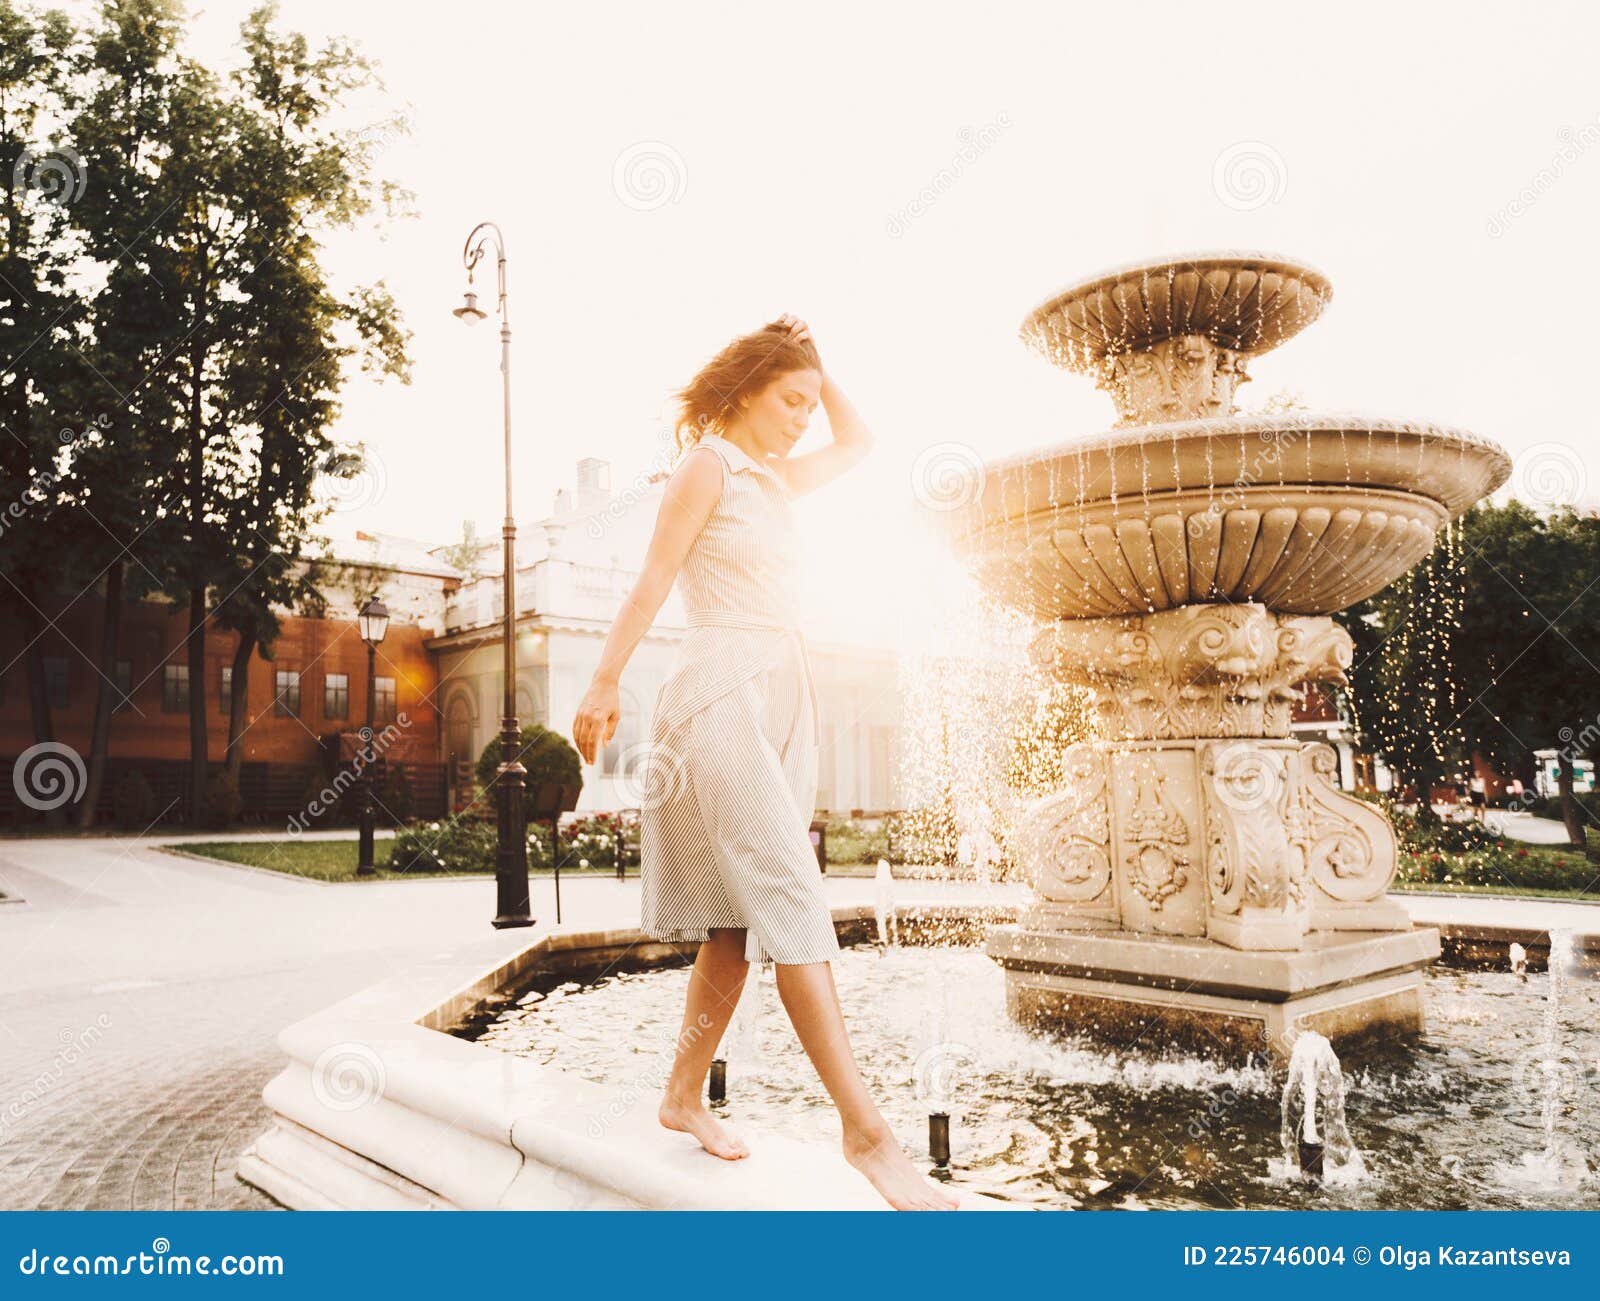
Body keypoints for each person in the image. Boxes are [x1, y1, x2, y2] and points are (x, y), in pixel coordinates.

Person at [572, 315, 960, 1211]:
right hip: (719, 694)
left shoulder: (779, 479)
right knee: (792, 898)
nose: (802, 417)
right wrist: (603, 680)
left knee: (733, 926)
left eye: (808, 403)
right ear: (746, 390)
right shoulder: (705, 464)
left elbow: (860, 441)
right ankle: (868, 1135)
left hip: (787, 698)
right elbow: (653, 578)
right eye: (789, 400)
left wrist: (821, 368)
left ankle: (680, 1096)